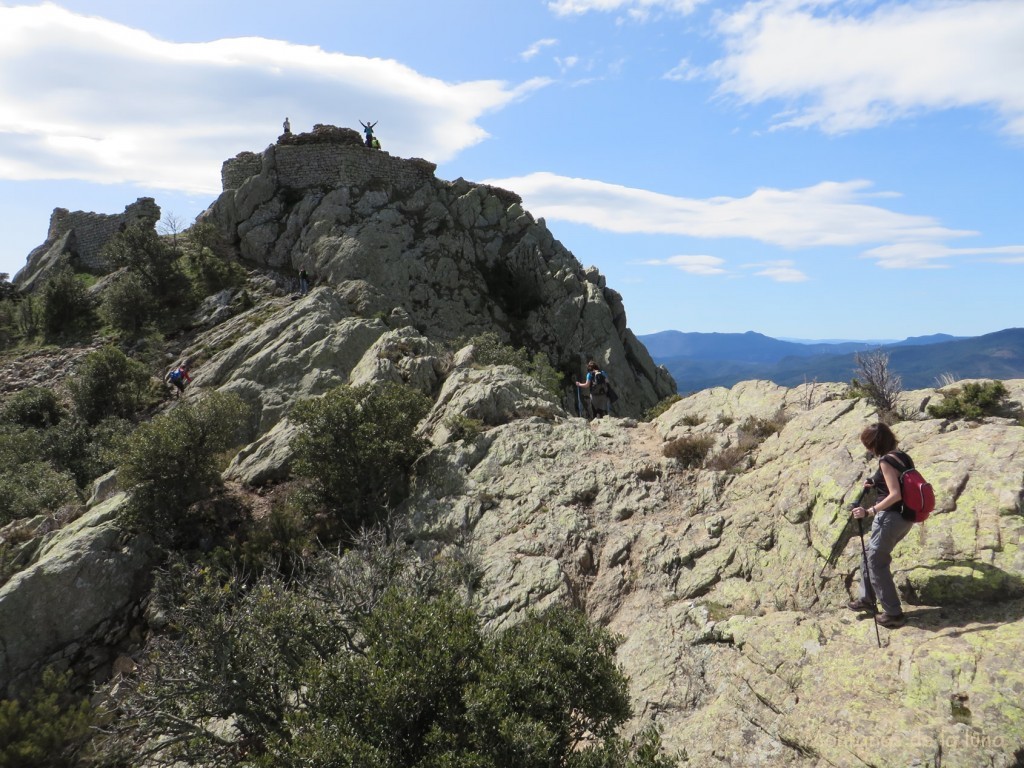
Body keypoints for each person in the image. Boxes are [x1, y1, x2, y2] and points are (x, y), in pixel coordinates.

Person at [848, 422, 916, 628]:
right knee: (868, 554)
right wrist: (875, 481)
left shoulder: (886, 461)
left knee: (877, 563)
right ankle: (867, 599)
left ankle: (893, 613)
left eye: (868, 445)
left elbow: (895, 494)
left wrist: (869, 511)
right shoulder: (901, 456)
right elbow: (898, 482)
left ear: (875, 444)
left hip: (890, 518)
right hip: (906, 517)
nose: (867, 449)